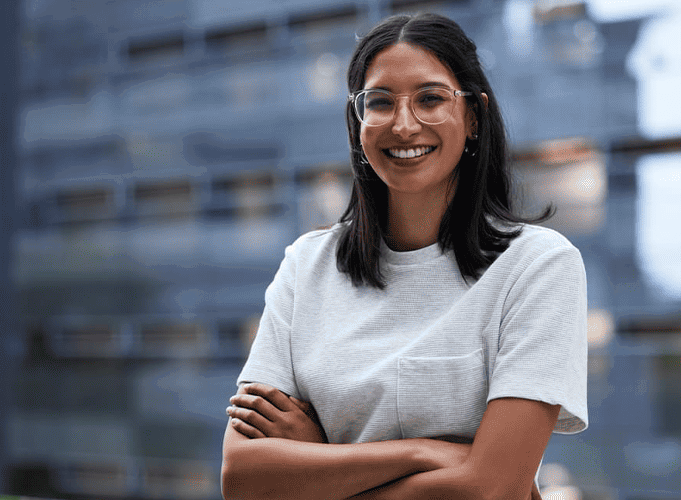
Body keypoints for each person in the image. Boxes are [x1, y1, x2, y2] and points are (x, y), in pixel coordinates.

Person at [220, 12, 588, 500]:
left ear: (473, 117)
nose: (404, 123)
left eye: (431, 98)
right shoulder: (306, 266)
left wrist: (319, 459)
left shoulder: (537, 266)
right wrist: (427, 452)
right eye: (380, 102)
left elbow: (489, 488)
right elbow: (242, 475)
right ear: (358, 121)